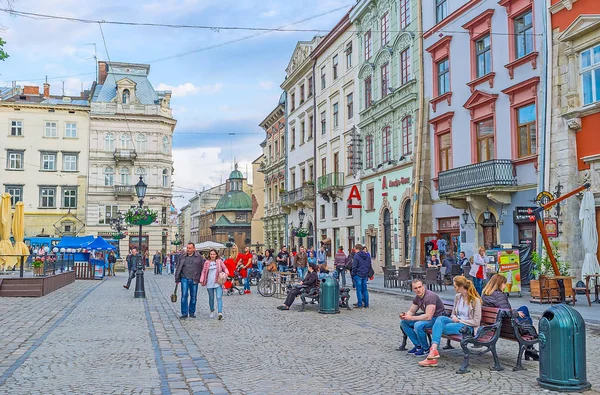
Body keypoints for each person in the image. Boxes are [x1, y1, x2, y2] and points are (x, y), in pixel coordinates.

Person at [418, 276, 482, 367]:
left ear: (461, 287)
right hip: (455, 322)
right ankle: (434, 351)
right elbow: (453, 314)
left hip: (466, 327)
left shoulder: (475, 301)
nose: (454, 288)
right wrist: (454, 317)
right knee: (440, 319)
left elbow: (476, 322)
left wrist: (459, 320)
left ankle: (432, 354)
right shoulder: (458, 297)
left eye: (455, 286)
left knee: (438, 328)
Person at [482, 274, 537, 360]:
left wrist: (516, 312)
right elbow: (506, 313)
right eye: (504, 283)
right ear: (499, 284)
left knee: (524, 309)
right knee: (528, 320)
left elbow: (503, 310)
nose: (505, 286)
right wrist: (516, 313)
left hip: (498, 325)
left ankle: (529, 349)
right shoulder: (499, 295)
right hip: (508, 327)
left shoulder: (485, 294)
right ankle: (529, 350)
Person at [400, 279, 446, 356]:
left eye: (420, 287)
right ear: (412, 289)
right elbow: (411, 311)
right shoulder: (417, 298)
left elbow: (428, 316)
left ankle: (425, 349)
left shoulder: (430, 297)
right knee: (404, 323)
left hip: (438, 319)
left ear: (423, 286)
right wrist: (405, 316)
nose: (418, 290)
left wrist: (411, 318)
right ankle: (418, 346)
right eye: (415, 288)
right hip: (430, 318)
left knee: (418, 325)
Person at [175, 242, 205, 319]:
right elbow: (178, 267)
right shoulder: (182, 256)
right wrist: (177, 278)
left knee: (193, 296)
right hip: (184, 278)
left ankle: (192, 312)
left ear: (194, 249)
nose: (188, 249)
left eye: (190, 248)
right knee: (184, 295)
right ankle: (184, 313)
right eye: (187, 248)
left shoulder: (199, 257)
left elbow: (203, 268)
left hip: (194, 278)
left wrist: (202, 278)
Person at [200, 249, 229, 320]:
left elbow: (224, 268)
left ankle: (220, 313)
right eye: (211, 254)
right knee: (211, 298)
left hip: (218, 282)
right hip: (209, 283)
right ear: (209, 255)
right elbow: (204, 272)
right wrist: (201, 279)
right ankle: (212, 310)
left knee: (219, 297)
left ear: (216, 255)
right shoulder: (207, 262)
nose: (212, 255)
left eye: (213, 254)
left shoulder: (219, 261)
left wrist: (226, 273)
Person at [352, 244, 372, 308]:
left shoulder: (356, 256)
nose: (354, 250)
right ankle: (366, 303)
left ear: (357, 249)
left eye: (355, 249)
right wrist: (367, 272)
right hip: (365, 274)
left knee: (359, 290)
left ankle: (360, 304)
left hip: (358, 274)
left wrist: (353, 274)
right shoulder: (367, 255)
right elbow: (369, 265)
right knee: (365, 290)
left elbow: (354, 266)